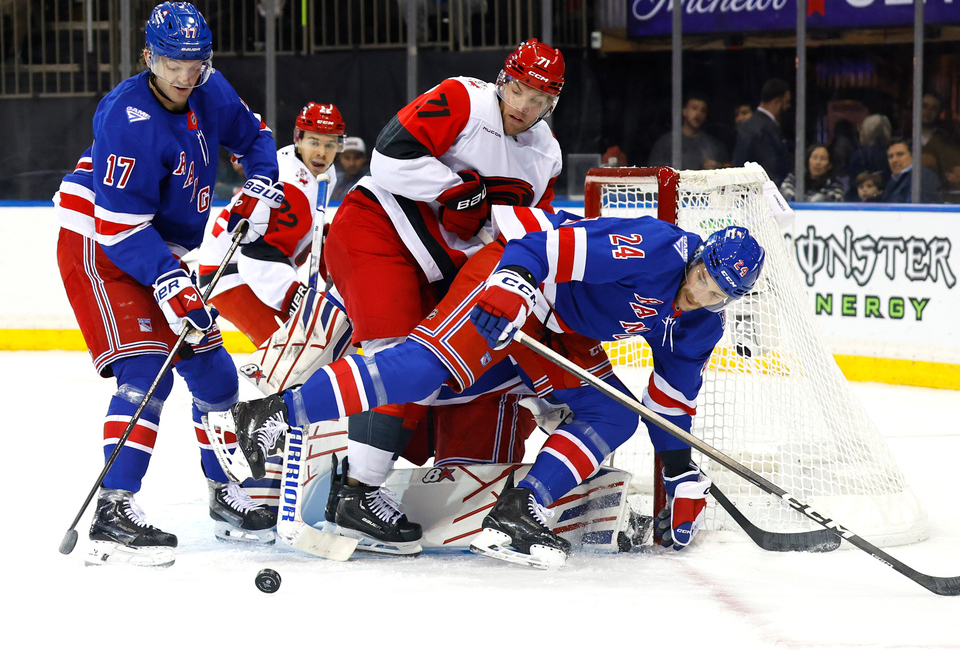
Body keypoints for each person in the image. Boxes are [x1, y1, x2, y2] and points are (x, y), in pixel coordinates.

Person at [212, 207, 765, 569]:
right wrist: (510, 291)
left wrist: (680, 472)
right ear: (698, 257)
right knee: (427, 369)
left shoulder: (700, 323)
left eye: (719, 294)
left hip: (562, 334)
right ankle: (274, 412)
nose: (703, 295)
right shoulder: (649, 246)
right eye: (703, 279)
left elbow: (668, 407)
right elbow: (540, 250)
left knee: (612, 412)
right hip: (514, 278)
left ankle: (519, 509)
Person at [52, 1, 283, 566]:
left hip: (160, 248)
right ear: (148, 56)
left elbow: (257, 140)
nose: (185, 76)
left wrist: (258, 186)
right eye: (172, 62)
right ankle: (114, 510)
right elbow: (120, 225)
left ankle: (223, 495)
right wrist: (168, 282)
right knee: (147, 370)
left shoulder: (211, 89)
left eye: (195, 62)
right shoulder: (124, 117)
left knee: (215, 373)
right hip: (103, 244)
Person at [315, 38, 564, 551]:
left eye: (538, 99)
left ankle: (358, 475)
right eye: (518, 89)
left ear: (552, 104)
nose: (522, 106)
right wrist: (453, 188)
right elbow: (387, 158)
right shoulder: (462, 99)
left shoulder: (546, 156)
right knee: (394, 358)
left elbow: (528, 235)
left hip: (436, 266)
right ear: (503, 80)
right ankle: (357, 491)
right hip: (376, 231)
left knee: (428, 369)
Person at [196, 101, 344, 347]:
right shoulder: (290, 183)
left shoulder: (314, 171)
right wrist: (298, 298)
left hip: (248, 269)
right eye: (314, 142)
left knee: (307, 352)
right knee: (292, 353)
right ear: (299, 139)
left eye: (330, 144)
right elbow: (259, 258)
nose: (322, 152)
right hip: (229, 274)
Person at [732, 79, 791, 185]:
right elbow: (770, 170)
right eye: (786, 102)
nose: (788, 106)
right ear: (776, 101)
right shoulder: (764, 129)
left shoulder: (750, 125)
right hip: (762, 195)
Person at [647, 94, 728, 170]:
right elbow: (655, 174)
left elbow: (728, 169)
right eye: (694, 108)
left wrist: (717, 167)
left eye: (703, 110)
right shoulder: (666, 143)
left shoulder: (713, 146)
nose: (698, 113)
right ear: (684, 111)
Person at [919, 91, 960, 200]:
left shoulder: (946, 143)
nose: (928, 111)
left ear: (939, 112)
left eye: (934, 108)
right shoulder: (905, 140)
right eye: (924, 106)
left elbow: (954, 177)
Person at [874, 137, 942, 204]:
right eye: (891, 156)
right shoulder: (894, 180)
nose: (894, 160)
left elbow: (919, 210)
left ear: (913, 155)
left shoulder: (922, 177)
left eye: (900, 154)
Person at [844, 114, 892, 201]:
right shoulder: (890, 153)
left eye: (861, 128)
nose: (859, 132)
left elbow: (854, 188)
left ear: (868, 132)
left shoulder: (860, 156)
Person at [779, 142, 845, 202]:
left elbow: (836, 200)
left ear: (830, 165)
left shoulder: (835, 186)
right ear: (808, 160)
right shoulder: (794, 179)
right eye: (814, 157)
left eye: (823, 158)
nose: (818, 162)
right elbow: (785, 191)